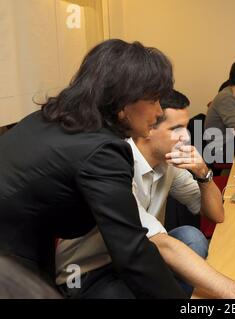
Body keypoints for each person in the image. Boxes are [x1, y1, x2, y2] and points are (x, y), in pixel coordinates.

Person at [0, 39, 188, 298]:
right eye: (154, 99)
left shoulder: (51, 119)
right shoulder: (102, 150)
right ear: (123, 102)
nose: (158, 111)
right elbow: (132, 252)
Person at [55, 90, 225, 297]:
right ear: (149, 127)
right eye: (176, 129)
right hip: (89, 270)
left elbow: (217, 215)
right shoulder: (114, 163)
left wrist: (203, 173)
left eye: (186, 127)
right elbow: (160, 243)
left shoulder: (169, 163)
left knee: (192, 237)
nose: (186, 137)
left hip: (136, 258)